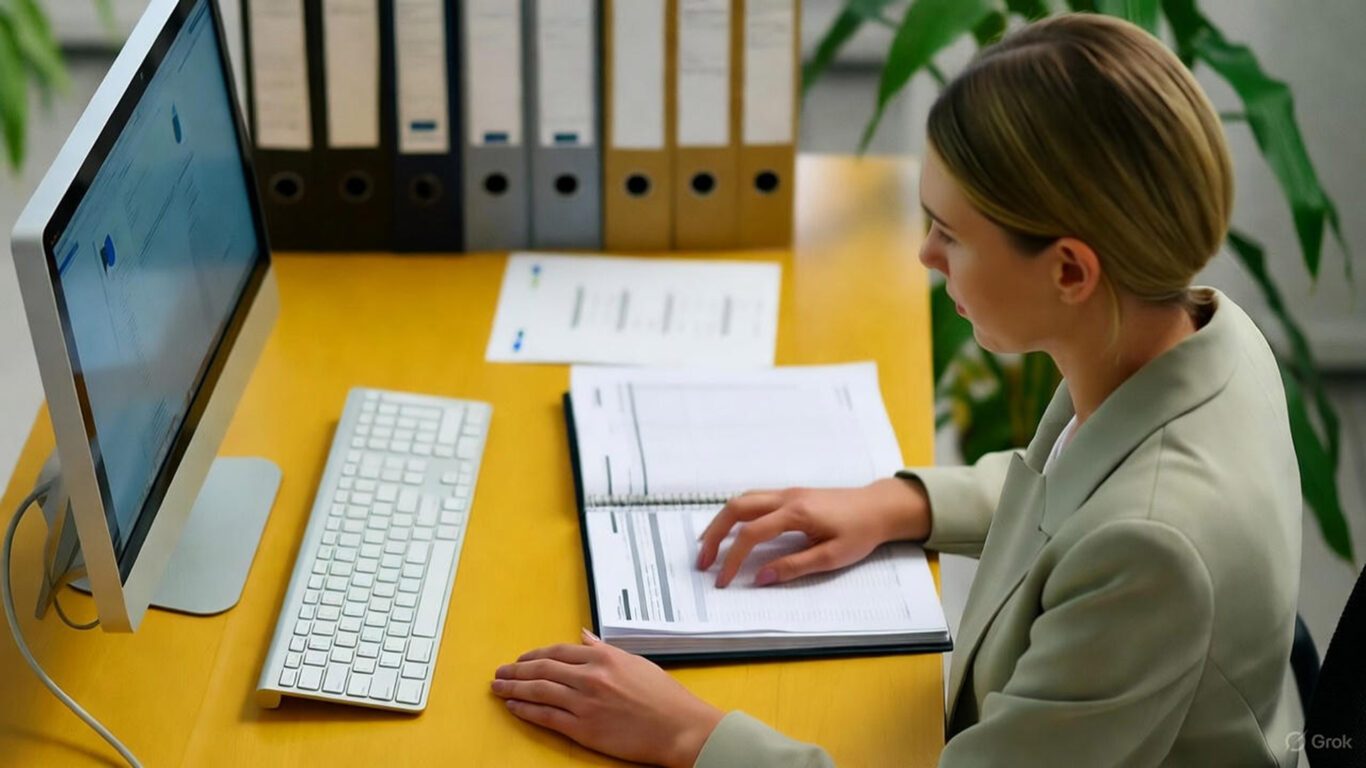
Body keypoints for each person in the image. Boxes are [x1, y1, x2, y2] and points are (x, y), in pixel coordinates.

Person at [489, 13, 1302, 767]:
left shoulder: (1153, 552)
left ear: (1068, 270)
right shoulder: (1192, 333)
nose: (925, 256)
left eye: (951, 233)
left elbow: (1126, 529)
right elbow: (1076, 481)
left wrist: (691, 733)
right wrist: (898, 504)